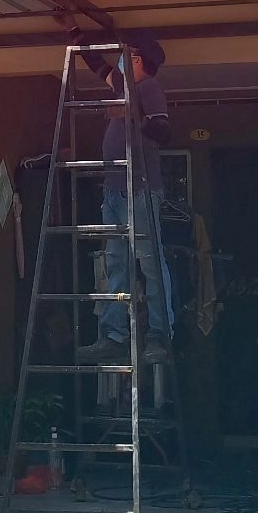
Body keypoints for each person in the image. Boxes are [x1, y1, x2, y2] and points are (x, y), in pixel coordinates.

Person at [73, 31, 174, 367]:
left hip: (140, 188)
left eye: (127, 54)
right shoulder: (124, 87)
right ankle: (114, 335)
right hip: (115, 189)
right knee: (116, 262)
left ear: (138, 59)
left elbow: (163, 131)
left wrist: (133, 115)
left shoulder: (148, 89)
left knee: (149, 261)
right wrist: (76, 35)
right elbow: (99, 66)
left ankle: (160, 335)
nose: (120, 59)